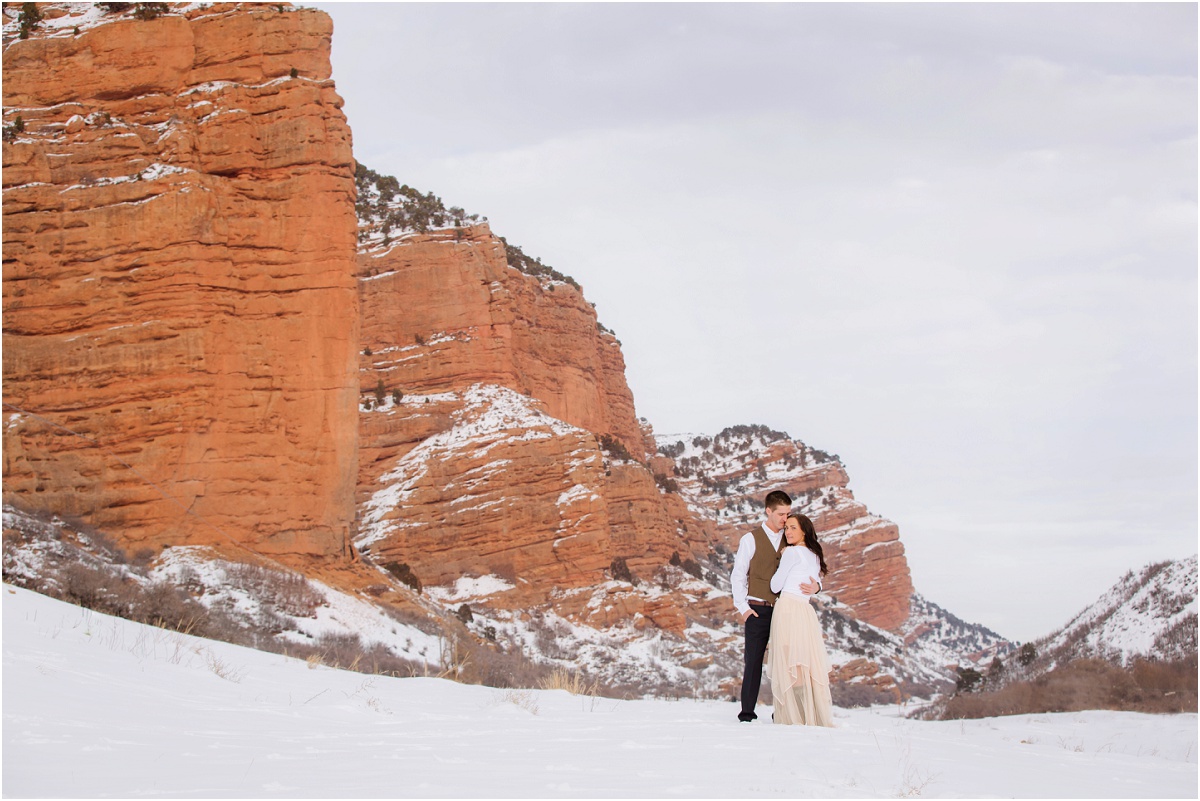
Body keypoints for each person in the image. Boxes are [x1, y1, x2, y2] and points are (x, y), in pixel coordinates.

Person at [731, 490, 820, 722]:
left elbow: (811, 566)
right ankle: (747, 715)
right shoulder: (750, 539)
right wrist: (743, 608)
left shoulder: (791, 537)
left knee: (788, 661)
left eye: (788, 513)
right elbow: (738, 575)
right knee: (753, 662)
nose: (785, 519)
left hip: (785, 611)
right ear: (768, 511)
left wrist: (817, 587)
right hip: (757, 609)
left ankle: (784, 712)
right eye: (781, 514)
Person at [767, 512, 834, 726]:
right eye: (786, 528)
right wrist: (818, 587)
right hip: (805, 611)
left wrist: (784, 557)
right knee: (805, 664)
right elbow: (816, 582)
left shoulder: (792, 553)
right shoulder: (815, 554)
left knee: (789, 662)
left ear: (804, 530)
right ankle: (809, 714)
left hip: (787, 608)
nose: (788, 532)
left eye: (793, 528)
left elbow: (775, 586)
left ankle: (794, 716)